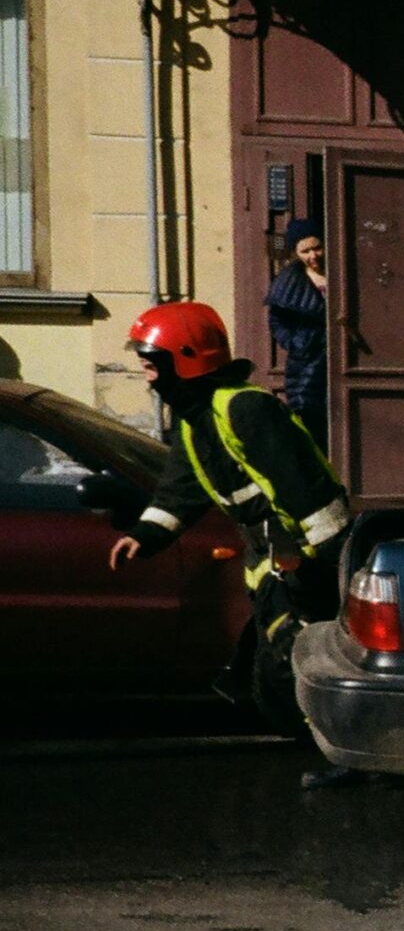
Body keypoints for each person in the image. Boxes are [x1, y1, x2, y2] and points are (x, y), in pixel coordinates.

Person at [107, 300, 352, 772]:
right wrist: (145, 534)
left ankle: (349, 755)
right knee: (278, 657)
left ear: (184, 358)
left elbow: (303, 488)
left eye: (152, 365)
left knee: (307, 655)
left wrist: (313, 562)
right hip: (269, 554)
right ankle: (327, 746)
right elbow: (182, 486)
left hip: (304, 553)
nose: (149, 377)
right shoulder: (194, 419)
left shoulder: (244, 408)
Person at [264, 219, 329, 447]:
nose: (313, 256)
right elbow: (277, 322)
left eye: (317, 247)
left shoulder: (339, 274)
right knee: (311, 422)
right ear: (296, 252)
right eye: (306, 251)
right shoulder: (289, 282)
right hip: (307, 362)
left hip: (336, 356)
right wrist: (296, 343)